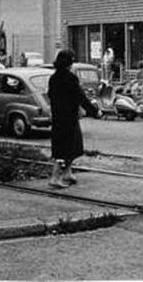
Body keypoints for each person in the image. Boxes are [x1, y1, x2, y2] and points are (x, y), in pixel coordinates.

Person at [47, 49, 101, 188]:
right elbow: (80, 97)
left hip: (58, 116)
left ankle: (67, 173)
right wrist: (94, 111)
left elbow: (50, 96)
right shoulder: (70, 78)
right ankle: (55, 178)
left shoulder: (53, 78)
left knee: (70, 146)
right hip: (69, 117)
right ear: (69, 63)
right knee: (66, 147)